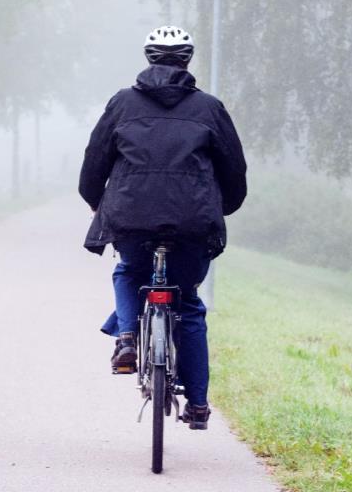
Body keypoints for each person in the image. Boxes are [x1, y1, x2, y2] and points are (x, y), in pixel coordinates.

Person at [79, 25, 248, 430]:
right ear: (187, 60)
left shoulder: (122, 103)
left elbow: (95, 158)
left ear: (149, 58)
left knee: (129, 271)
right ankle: (200, 405)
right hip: (192, 223)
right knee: (187, 303)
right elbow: (234, 169)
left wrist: (94, 200)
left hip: (131, 218)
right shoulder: (209, 108)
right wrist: (221, 206)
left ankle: (125, 339)